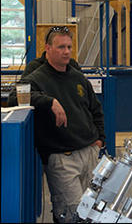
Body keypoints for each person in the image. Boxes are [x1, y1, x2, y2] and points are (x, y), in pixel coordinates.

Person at [7, 26, 105, 223]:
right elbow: (13, 97)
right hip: (62, 159)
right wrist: (49, 101)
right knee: (73, 214)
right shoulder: (37, 77)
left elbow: (96, 110)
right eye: (61, 47)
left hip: (90, 153)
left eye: (69, 46)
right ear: (48, 49)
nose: (67, 51)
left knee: (94, 212)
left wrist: (100, 141)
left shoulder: (77, 76)